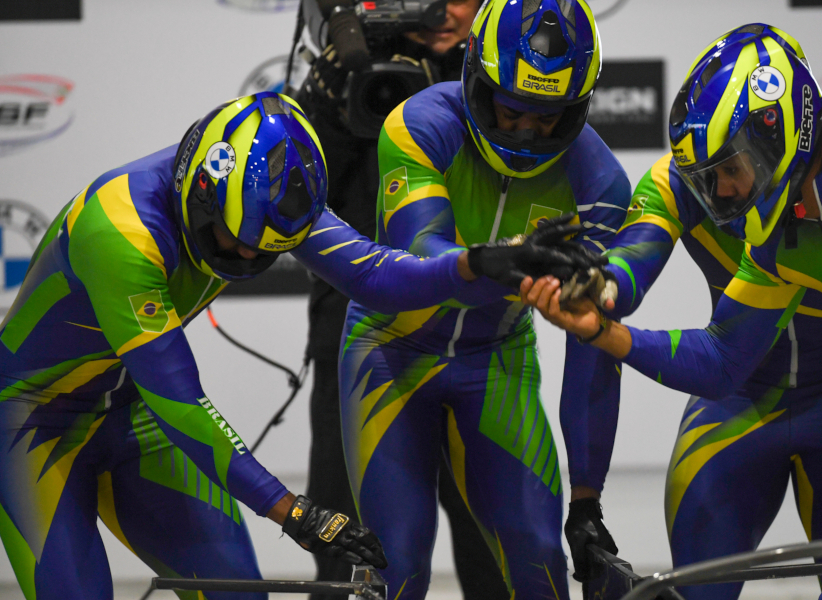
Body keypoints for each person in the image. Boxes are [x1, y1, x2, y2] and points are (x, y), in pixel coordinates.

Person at [0, 90, 593, 600]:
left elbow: (376, 276)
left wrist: (481, 262)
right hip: (33, 423)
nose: (249, 257)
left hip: (130, 411)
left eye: (268, 251)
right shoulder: (122, 234)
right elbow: (181, 401)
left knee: (236, 589)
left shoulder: (267, 197)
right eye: (234, 243)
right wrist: (293, 511)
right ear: (199, 194)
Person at [522, 23, 822, 599]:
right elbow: (722, 359)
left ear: (775, 133)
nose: (723, 194)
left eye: (731, 169)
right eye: (709, 179)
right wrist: (602, 328)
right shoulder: (778, 239)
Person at [336, 0, 630, 597]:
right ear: (475, 77)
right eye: (512, 107)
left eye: (550, 116)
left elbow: (593, 343)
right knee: (398, 562)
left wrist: (588, 500)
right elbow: (420, 255)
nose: (526, 131)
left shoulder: (602, 184)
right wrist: (503, 256)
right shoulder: (417, 122)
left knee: (542, 558)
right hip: (390, 348)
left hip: (496, 357)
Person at [289, 1, 504, 597]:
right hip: (354, 334)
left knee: (496, 544)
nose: (445, 12)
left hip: (474, 337)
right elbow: (296, 201)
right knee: (348, 542)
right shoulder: (351, 71)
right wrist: (325, 106)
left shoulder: (499, 78)